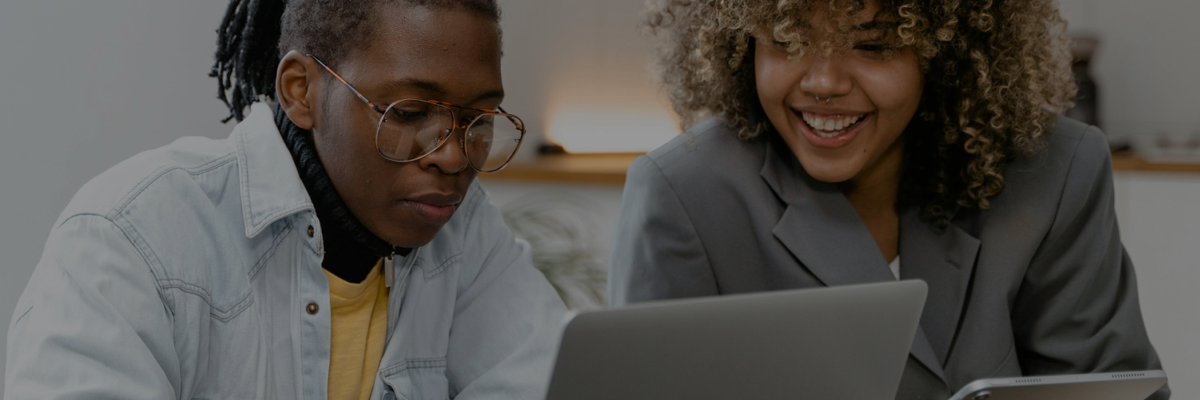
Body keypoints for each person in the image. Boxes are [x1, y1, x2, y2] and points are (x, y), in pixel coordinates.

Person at [5, 1, 566, 399]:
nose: (451, 156)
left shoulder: (464, 231)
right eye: (411, 114)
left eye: (477, 119)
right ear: (301, 90)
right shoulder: (133, 235)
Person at [608, 0, 1168, 399]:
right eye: (787, 40)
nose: (823, 81)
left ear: (946, 54)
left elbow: (1108, 388)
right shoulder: (684, 195)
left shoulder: (1055, 172)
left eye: (873, 45)